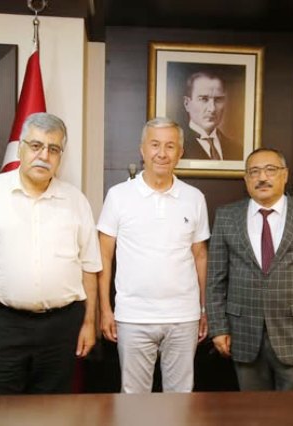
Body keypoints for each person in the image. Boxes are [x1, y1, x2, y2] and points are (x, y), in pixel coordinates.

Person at [0, 112, 101, 394]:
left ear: (60, 156)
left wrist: (90, 323)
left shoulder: (76, 202)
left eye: (53, 149)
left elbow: (89, 267)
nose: (44, 155)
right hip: (1, 326)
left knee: (54, 412)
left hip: (61, 329)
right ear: (20, 149)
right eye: (36, 145)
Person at [206, 147, 293, 391]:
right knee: (253, 410)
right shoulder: (226, 216)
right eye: (254, 172)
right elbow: (215, 280)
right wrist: (218, 328)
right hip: (244, 335)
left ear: (285, 175)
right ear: (246, 178)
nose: (262, 177)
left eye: (270, 170)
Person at [97, 117, 210, 393]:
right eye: (155, 145)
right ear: (142, 149)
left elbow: (200, 256)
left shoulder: (194, 197)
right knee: (134, 399)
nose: (162, 153)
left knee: (180, 399)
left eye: (170, 146)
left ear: (180, 153)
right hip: (133, 316)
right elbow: (104, 256)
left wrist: (203, 309)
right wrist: (105, 310)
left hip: (183, 316)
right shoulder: (118, 195)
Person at [181, 71, 243, 161]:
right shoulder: (177, 145)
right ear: (187, 104)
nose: (212, 109)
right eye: (203, 99)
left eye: (218, 100)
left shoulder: (238, 149)